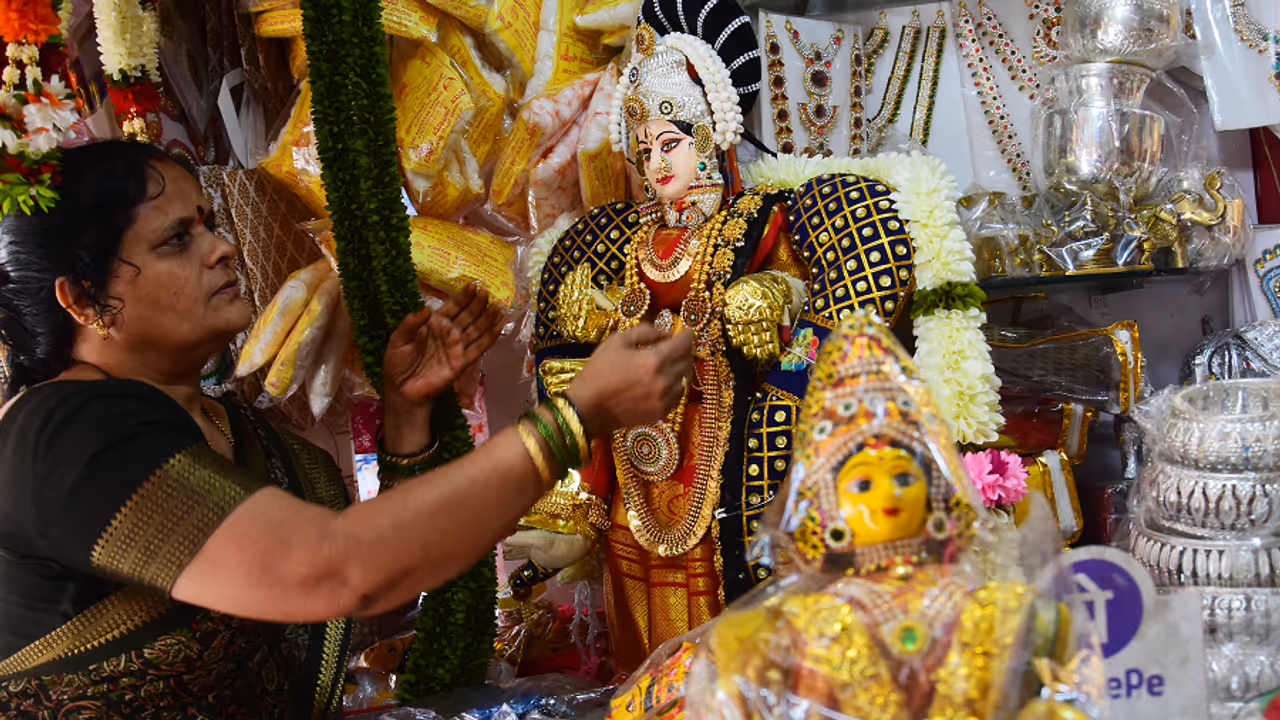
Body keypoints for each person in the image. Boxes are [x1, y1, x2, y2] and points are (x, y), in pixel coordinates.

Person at [0, 140, 692, 718]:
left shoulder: (244, 436)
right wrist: (572, 419)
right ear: (86, 300)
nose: (220, 248)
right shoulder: (65, 434)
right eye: (178, 239)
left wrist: (408, 416)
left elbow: (367, 608)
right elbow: (336, 571)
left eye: (210, 223)